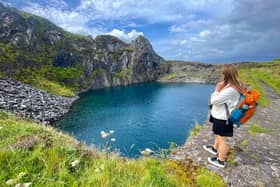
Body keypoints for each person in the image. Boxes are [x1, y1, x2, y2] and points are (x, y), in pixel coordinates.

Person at [203, 64, 244, 168]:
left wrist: (216, 89)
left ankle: (220, 161)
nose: (221, 74)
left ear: (226, 75)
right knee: (217, 134)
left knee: (222, 139)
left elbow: (214, 101)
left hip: (223, 118)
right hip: (219, 115)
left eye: (222, 72)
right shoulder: (233, 84)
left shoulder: (231, 89)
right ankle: (214, 148)